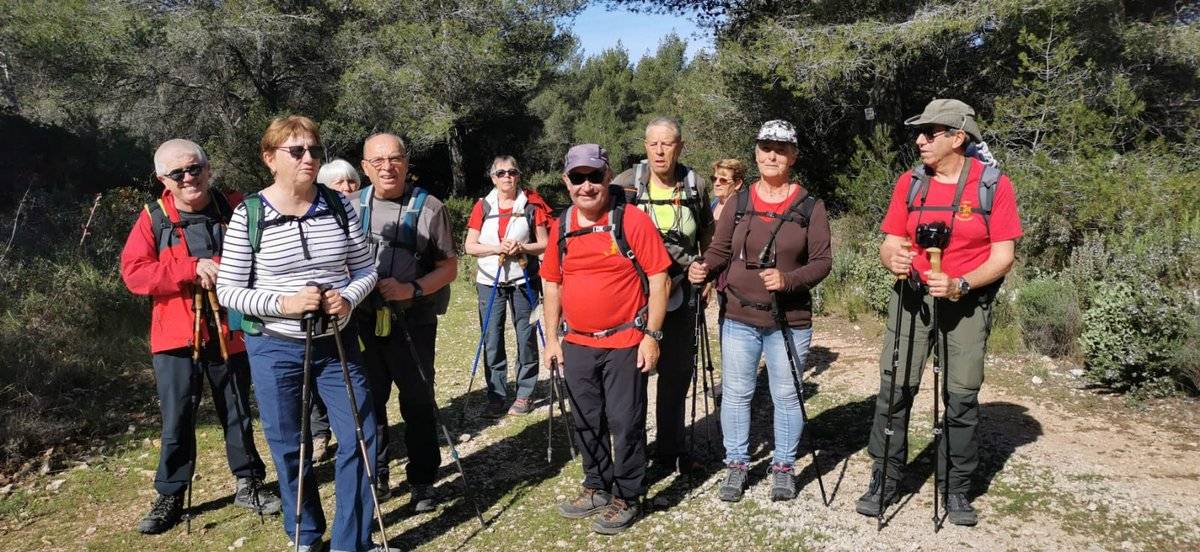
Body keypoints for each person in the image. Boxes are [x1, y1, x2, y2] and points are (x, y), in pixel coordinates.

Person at [216, 116, 383, 552]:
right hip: (274, 346)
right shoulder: (248, 214)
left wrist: (347, 297)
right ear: (270, 158)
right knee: (291, 446)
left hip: (337, 342)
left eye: (313, 150)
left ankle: (352, 543)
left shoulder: (339, 205)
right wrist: (284, 304)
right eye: (297, 151)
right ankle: (306, 535)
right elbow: (229, 290)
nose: (309, 158)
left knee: (362, 437)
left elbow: (366, 268)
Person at [856, 99, 1021, 527]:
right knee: (895, 388)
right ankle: (885, 477)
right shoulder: (910, 183)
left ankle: (957, 487)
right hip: (911, 299)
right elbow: (890, 240)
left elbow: (1004, 255)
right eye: (920, 132)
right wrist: (890, 257)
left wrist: (961, 284)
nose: (920, 140)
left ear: (958, 138)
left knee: (961, 397)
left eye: (930, 132)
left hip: (964, 303)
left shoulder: (992, 185)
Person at [120, 139, 281, 534]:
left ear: (209, 169)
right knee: (177, 417)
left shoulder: (237, 207)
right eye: (179, 174)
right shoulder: (153, 218)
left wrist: (219, 266)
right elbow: (135, 273)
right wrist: (190, 268)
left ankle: (249, 482)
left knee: (238, 409)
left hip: (233, 328)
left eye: (196, 168)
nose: (189, 178)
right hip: (175, 335)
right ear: (164, 179)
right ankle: (171, 494)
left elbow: (264, 256)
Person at [688, 120, 833, 503]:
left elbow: (822, 263)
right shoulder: (740, 201)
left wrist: (788, 281)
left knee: (787, 395)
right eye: (766, 147)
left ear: (793, 156)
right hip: (738, 315)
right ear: (756, 152)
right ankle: (736, 464)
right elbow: (720, 249)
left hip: (790, 320)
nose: (772, 155)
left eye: (781, 149)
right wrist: (703, 267)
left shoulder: (810, 206)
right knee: (736, 394)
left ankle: (783, 466)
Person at [542, 144, 671, 535]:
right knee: (586, 418)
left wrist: (651, 335)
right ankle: (597, 484)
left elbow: (659, 278)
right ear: (566, 182)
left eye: (594, 177)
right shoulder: (562, 224)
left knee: (625, 421)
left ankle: (628, 494)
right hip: (577, 342)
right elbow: (552, 281)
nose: (586, 186)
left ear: (607, 176)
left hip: (625, 339)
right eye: (577, 178)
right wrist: (551, 339)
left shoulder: (632, 220)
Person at [350, 133, 458, 512]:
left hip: (414, 322)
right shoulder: (348, 207)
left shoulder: (430, 207)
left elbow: (448, 267)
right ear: (364, 167)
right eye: (377, 161)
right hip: (361, 323)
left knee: (417, 402)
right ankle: (375, 476)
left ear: (407, 162)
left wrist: (410, 289)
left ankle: (423, 480)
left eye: (394, 158)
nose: (387, 167)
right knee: (368, 402)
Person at [611, 117, 713, 475]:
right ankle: (633, 456)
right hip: (634, 296)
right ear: (645, 146)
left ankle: (671, 448)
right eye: (653, 143)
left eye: (667, 143)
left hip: (681, 292)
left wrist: (707, 272)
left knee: (677, 373)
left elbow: (707, 236)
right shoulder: (625, 184)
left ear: (679, 147)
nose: (659, 150)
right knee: (633, 376)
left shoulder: (695, 185)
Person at [463, 156, 551, 418]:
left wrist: (522, 247)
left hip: (523, 278)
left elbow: (544, 244)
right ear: (493, 178)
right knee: (492, 339)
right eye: (501, 173)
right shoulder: (483, 206)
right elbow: (470, 246)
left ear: (518, 175)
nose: (506, 177)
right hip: (490, 282)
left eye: (512, 172)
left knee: (525, 336)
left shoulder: (532, 205)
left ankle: (524, 393)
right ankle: (496, 395)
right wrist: (496, 248)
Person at [308, 157, 363, 461]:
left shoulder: (362, 211)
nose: (347, 187)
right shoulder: (315, 215)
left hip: (354, 308)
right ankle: (319, 433)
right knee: (313, 378)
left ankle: (352, 435)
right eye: (339, 182)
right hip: (320, 310)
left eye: (351, 180)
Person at [707, 158, 748, 328]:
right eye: (714, 178)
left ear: (737, 183)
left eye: (723, 180)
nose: (717, 183)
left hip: (735, 272)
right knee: (723, 316)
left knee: (737, 319)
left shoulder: (743, 208)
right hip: (717, 271)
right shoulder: (713, 204)